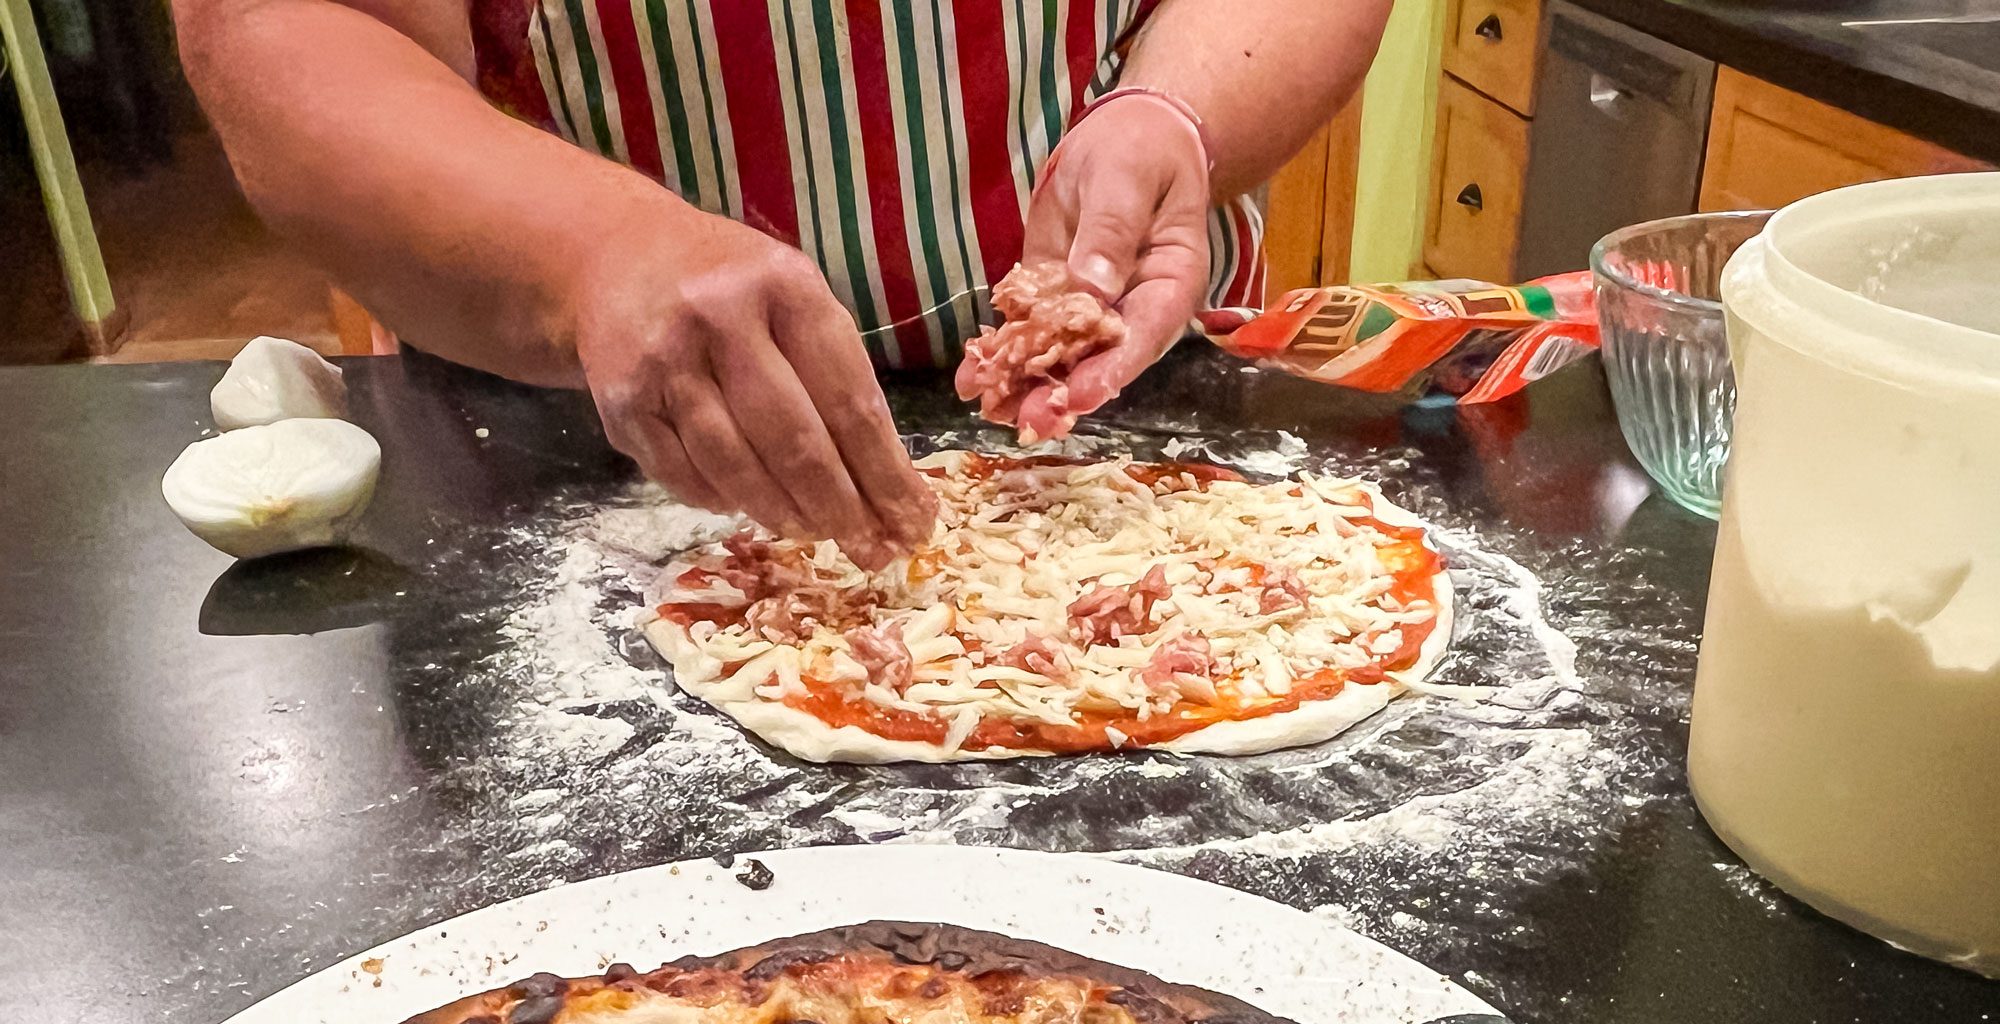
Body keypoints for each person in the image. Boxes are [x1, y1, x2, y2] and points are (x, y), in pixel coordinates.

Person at [175, 0, 1389, 564]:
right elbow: (288, 30)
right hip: (585, 450)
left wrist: (1177, 113)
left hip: (1145, 422)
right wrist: (591, 252)